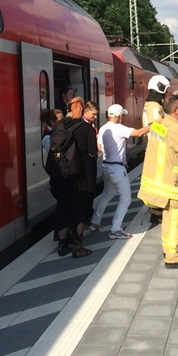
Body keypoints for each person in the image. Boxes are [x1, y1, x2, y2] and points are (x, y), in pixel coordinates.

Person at [138, 92, 178, 269]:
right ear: (175, 110)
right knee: (174, 220)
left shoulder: (161, 125)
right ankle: (174, 257)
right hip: (174, 184)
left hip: (162, 180)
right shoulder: (174, 129)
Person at [88, 104, 150, 238]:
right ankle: (115, 229)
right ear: (118, 116)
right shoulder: (119, 128)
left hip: (106, 166)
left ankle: (95, 221)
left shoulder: (104, 128)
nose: (122, 117)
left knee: (107, 194)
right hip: (117, 168)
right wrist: (155, 125)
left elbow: (99, 147)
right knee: (126, 198)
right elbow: (139, 132)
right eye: (122, 114)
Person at [60, 97, 97, 258]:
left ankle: (62, 246)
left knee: (63, 211)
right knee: (78, 212)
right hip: (82, 176)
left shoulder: (59, 126)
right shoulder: (86, 128)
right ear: (82, 110)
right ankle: (78, 246)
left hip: (63, 175)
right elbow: (92, 152)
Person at [142, 74, 171, 224]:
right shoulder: (154, 106)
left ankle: (155, 210)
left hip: (155, 146)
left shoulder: (150, 104)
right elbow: (155, 124)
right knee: (158, 180)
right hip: (158, 148)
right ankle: (156, 211)